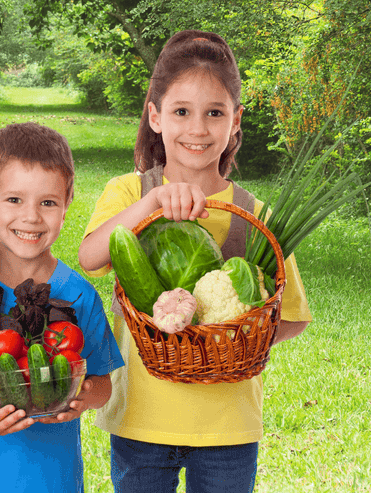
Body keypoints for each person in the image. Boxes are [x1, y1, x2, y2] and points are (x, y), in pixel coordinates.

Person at [77, 31, 313, 493]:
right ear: (156, 116)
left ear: (235, 120)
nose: (198, 129)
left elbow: (291, 318)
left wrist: (225, 338)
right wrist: (156, 201)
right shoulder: (130, 193)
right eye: (181, 111)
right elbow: (91, 256)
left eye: (215, 113)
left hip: (227, 425)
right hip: (141, 420)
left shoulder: (255, 215)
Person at [0, 122, 125, 493]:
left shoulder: (79, 295)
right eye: (14, 200)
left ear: (66, 208)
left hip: (53, 481)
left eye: (48, 202)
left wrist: (81, 397)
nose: (32, 217)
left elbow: (104, 383)